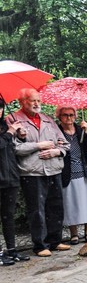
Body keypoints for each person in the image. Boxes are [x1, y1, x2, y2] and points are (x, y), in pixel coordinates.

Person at [9, 89, 71, 257]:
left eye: (38, 100)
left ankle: (55, 240)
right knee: (37, 209)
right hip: (32, 172)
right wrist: (38, 146)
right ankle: (40, 245)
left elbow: (64, 144)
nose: (37, 103)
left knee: (56, 206)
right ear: (22, 102)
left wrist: (56, 152)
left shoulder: (48, 120)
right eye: (32, 100)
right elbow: (13, 148)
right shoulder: (13, 120)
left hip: (53, 168)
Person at [56, 106, 87, 244]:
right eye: (65, 115)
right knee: (70, 203)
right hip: (67, 172)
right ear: (59, 117)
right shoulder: (57, 132)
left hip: (84, 171)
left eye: (71, 115)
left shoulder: (80, 129)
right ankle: (73, 233)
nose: (69, 118)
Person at [0, 98, 28, 264]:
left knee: (8, 216)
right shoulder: (7, 129)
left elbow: (12, 148)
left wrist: (21, 135)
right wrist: (10, 132)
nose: (0, 111)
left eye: (1, 107)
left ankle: (12, 250)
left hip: (10, 176)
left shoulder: (4, 125)